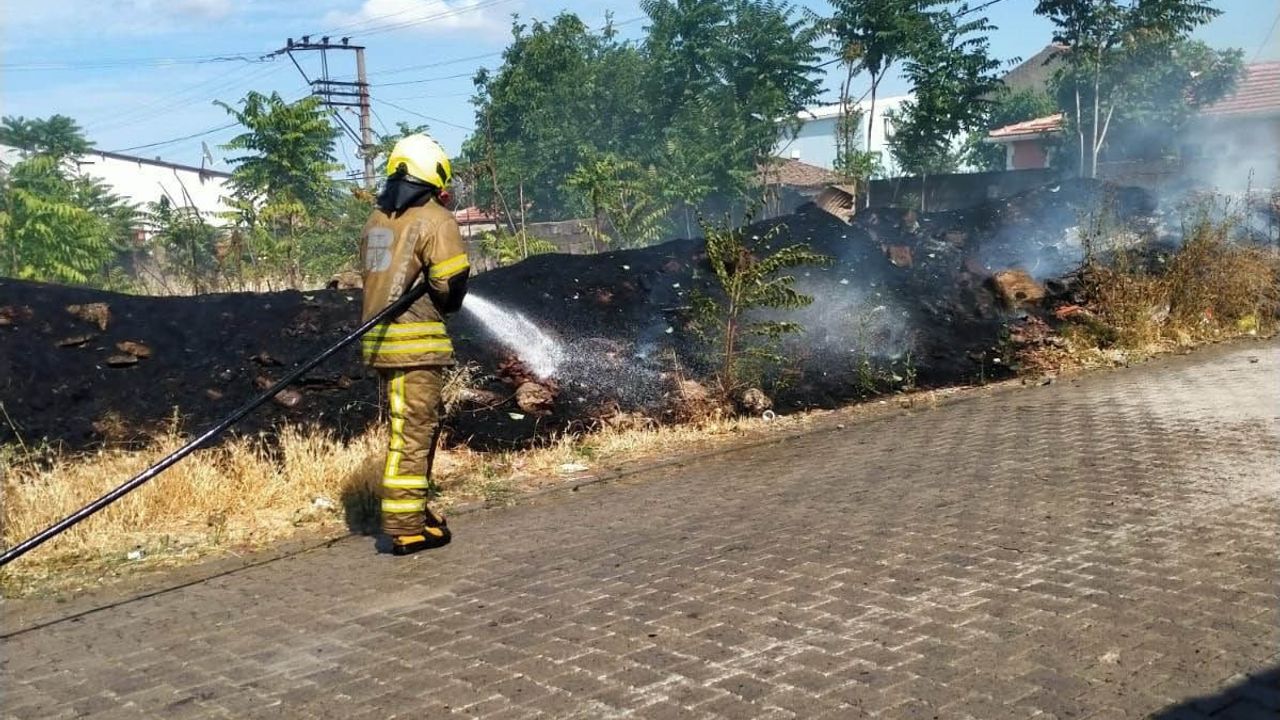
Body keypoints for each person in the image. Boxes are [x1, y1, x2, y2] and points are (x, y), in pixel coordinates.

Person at [359, 133, 470, 555]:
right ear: (434, 173)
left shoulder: (376, 220)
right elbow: (449, 285)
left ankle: (416, 513)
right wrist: (450, 297)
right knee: (413, 433)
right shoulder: (434, 219)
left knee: (410, 428)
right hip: (416, 342)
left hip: (382, 341)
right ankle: (406, 527)